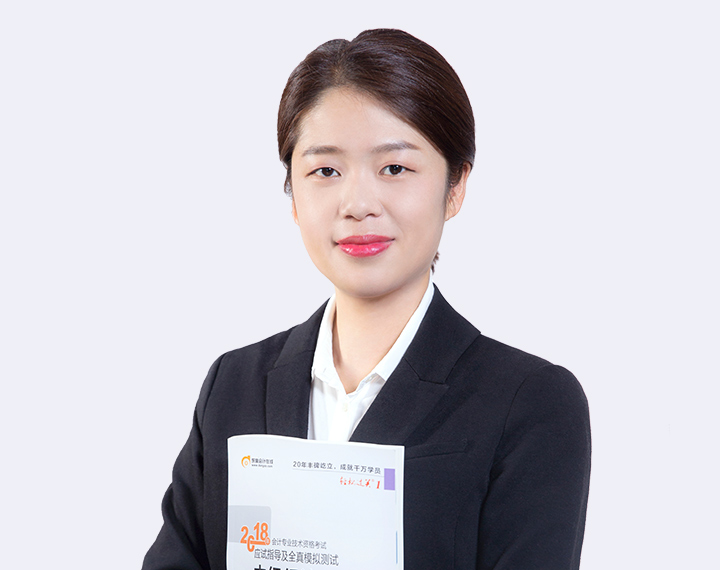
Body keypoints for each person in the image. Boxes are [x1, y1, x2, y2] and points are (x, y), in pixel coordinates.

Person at [143, 29, 591, 570]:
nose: (358, 203)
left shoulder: (530, 402)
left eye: (394, 168)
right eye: (325, 171)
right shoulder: (232, 386)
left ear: (455, 187)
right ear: (292, 193)